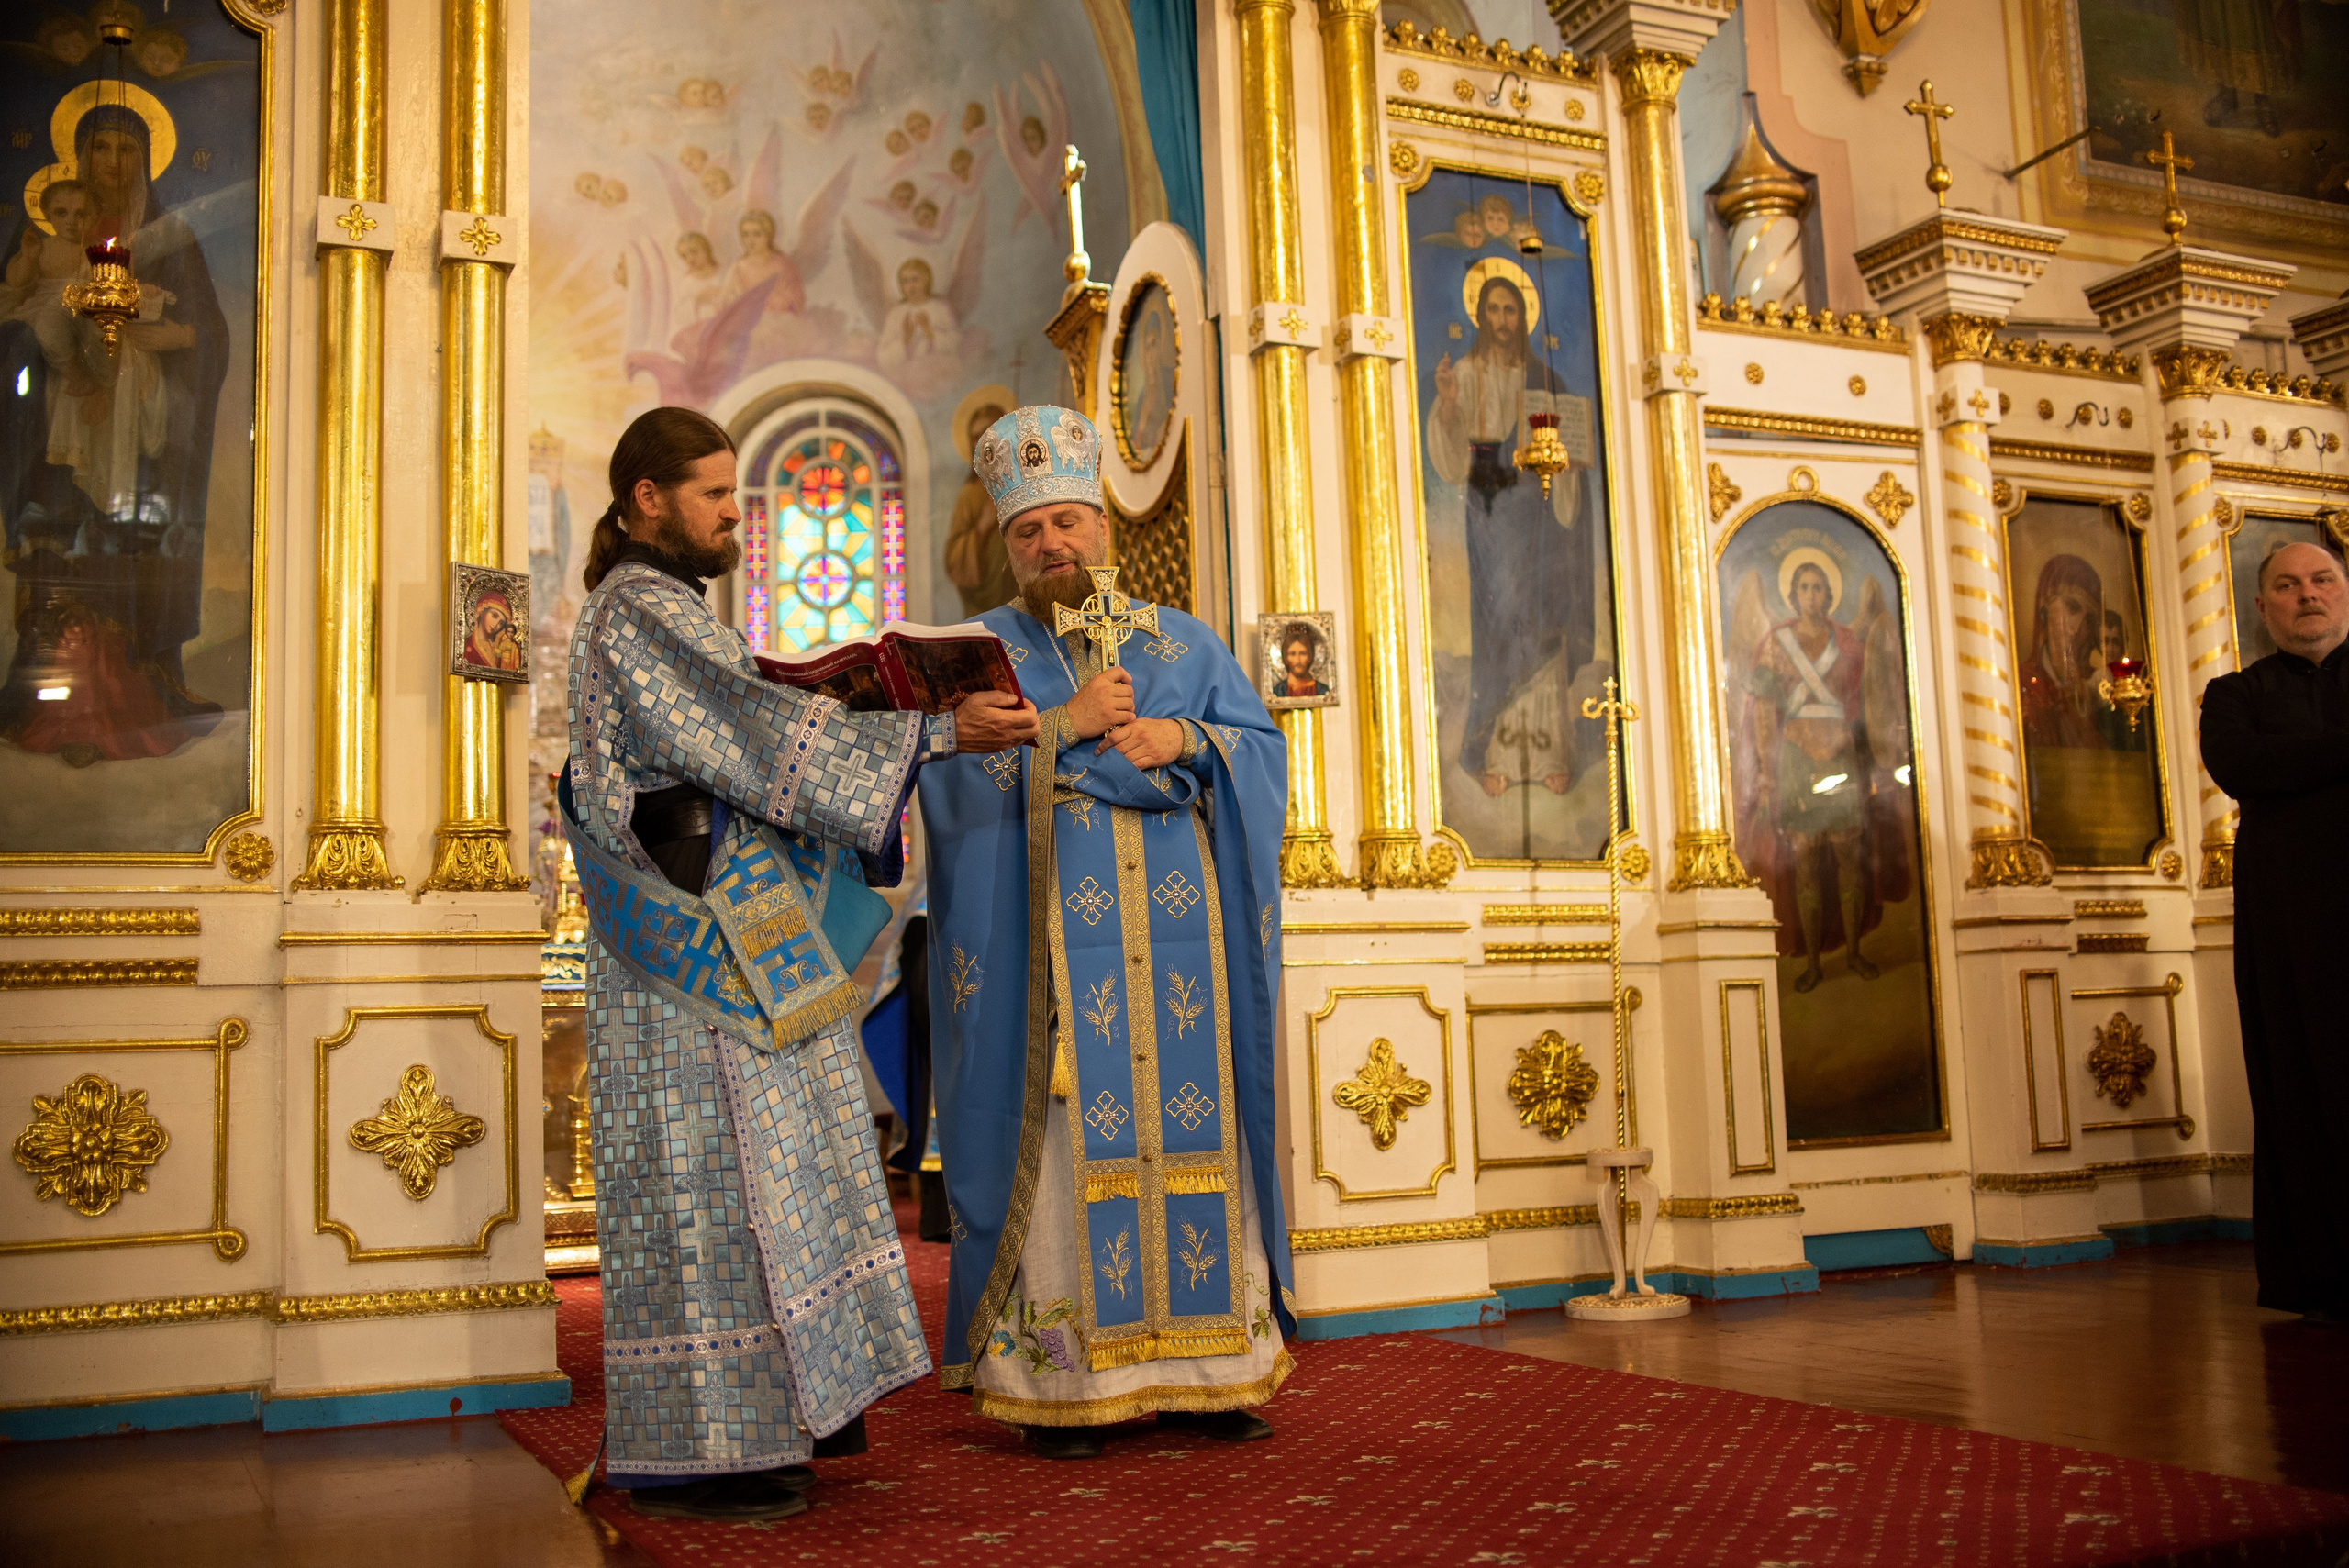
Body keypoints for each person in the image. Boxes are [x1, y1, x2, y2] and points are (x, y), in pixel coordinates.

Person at [562, 406, 1041, 1520]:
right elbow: (742, 729)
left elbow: (751, 725)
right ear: (647, 499)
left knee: (775, 1161)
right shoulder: (636, 609)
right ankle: (711, 1441)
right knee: (714, 1181)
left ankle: (773, 1419)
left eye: (737, 491)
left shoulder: (668, 607)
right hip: (692, 938)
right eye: (717, 494)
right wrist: (926, 732)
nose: (737, 512)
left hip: (733, 916)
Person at [918, 404, 1294, 1459]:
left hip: (1187, 970)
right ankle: (1066, 1380)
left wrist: (1185, 734)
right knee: (1069, 1155)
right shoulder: (980, 653)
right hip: (1052, 977)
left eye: (1072, 521)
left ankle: (1209, 1371)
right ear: (1007, 542)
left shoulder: (1185, 641)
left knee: (1192, 1133)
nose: (1055, 544)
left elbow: (1259, 754)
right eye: (1031, 530)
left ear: (1104, 526)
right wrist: (1061, 728)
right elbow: (942, 787)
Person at [2199, 538, 2349, 1324]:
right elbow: (2243, 766)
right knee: (2304, 1085)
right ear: (2263, 608)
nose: (2307, 595)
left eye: (2323, 579)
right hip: (2288, 929)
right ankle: (2322, 1272)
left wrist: (2300, 760)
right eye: (2287, 586)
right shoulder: (2233, 694)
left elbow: (2280, 767)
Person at [1426, 271, 1594, 797]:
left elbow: (1570, 453)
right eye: (1494, 310)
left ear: (1523, 318)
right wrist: (1449, 400)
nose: (1503, 321)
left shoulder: (1545, 380)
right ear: (1481, 315)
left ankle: (1547, 754)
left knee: (1540, 617)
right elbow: (1451, 457)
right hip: (1491, 508)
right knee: (1501, 618)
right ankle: (1490, 748)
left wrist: (1567, 467)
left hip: (1537, 508)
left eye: (1511, 311)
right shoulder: (1467, 372)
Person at [1734, 558, 1896, 993]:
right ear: (1793, 595)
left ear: (1829, 595)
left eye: (1819, 587)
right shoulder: (1775, 643)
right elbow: (1764, 710)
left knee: (1848, 861)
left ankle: (1854, 953)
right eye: (1804, 587)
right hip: (1797, 759)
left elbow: (1868, 702)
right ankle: (1810, 961)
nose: (1812, 594)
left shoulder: (1847, 643)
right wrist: (1767, 773)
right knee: (1804, 863)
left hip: (1841, 756)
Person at [2019, 554, 2109, 750]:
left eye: (2089, 619)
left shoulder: (2094, 688)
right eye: (2072, 607)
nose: (2077, 627)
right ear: (2045, 606)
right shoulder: (2025, 681)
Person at [942, 397, 1016, 617]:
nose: (980, 443)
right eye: (975, 437)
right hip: (985, 603)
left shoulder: (1022, 484)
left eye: (986, 433)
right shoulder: (970, 493)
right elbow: (955, 560)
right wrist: (982, 530)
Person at [1272, 625, 1328, 700]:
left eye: (1303, 653)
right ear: (1285, 657)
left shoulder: (1323, 691)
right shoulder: (1277, 692)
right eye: (1292, 654)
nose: (1298, 660)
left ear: (1310, 656)